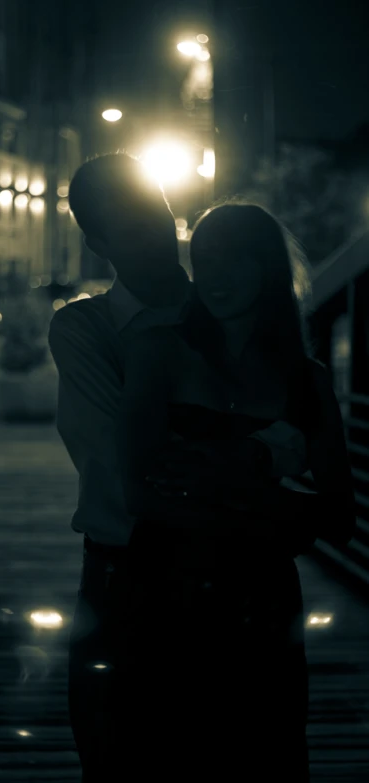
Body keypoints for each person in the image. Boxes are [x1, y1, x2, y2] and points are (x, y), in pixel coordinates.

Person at [48, 153, 318, 780]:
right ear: (98, 244)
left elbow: (303, 426)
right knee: (130, 760)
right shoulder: (85, 328)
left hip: (244, 579)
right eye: (131, 225)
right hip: (135, 578)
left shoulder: (239, 309)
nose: (156, 233)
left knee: (260, 758)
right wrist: (261, 466)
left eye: (159, 212)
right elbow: (127, 464)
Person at [112, 202, 356, 781]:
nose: (215, 276)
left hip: (262, 604)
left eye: (234, 261)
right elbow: (139, 495)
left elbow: (342, 517)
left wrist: (227, 478)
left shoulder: (307, 378)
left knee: (264, 753)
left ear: (268, 267)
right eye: (204, 260)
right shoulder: (157, 350)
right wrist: (272, 510)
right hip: (165, 593)